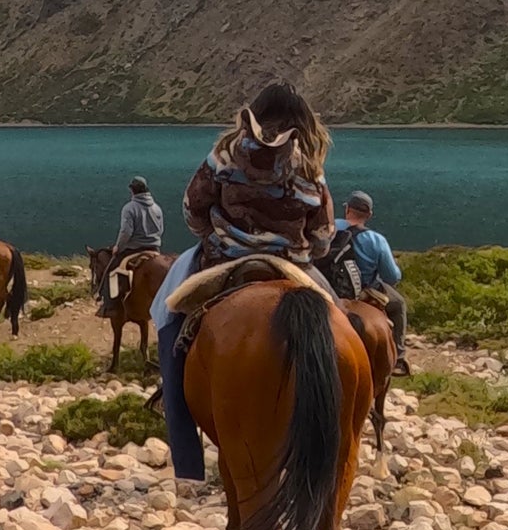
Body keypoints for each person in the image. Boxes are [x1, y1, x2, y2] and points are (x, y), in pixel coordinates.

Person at [151, 82, 336, 482]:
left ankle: (185, 454)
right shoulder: (310, 167)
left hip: (223, 258)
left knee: (165, 316)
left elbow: (192, 207)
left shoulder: (224, 155)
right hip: (293, 266)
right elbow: (322, 235)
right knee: (339, 321)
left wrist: (213, 235)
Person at [339, 190, 408, 373]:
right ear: (369, 215)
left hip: (328, 287)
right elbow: (391, 277)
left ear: (347, 209)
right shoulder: (377, 240)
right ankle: (399, 358)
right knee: (399, 305)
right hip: (363, 292)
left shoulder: (330, 229)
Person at [97, 176, 165, 315]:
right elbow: (161, 229)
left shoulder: (129, 208)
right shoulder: (157, 208)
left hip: (134, 248)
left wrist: (118, 247)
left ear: (132, 191)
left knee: (111, 270)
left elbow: (126, 232)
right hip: (154, 248)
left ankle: (110, 306)